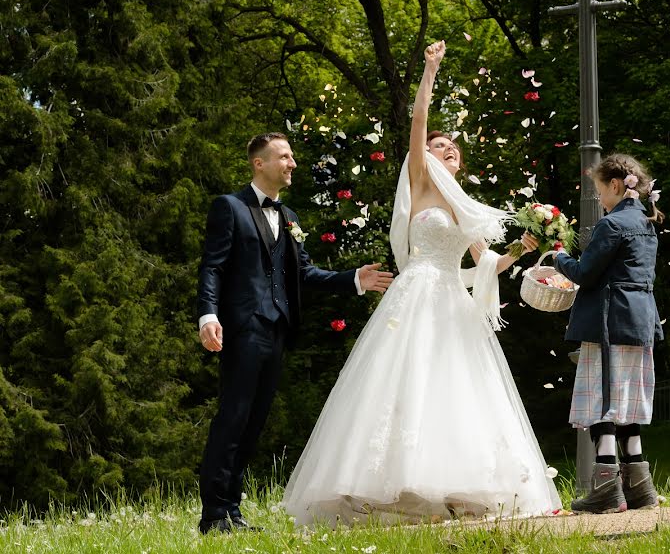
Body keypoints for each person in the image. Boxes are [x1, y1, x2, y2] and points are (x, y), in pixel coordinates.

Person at [281, 40, 561, 526]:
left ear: (461, 164)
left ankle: (460, 490)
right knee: (406, 382)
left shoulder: (466, 207)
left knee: (456, 387)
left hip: (453, 303)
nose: (445, 148)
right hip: (415, 297)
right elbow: (417, 123)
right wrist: (430, 70)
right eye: (438, 144)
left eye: (452, 147)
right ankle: (389, 489)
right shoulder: (419, 181)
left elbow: (484, 266)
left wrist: (521, 251)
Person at [196, 132, 394, 534]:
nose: (292, 164)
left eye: (291, 157)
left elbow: (303, 273)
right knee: (233, 418)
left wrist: (353, 278)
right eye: (284, 157)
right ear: (259, 163)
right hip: (243, 326)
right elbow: (212, 266)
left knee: (254, 423)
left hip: (278, 330)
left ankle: (233, 512)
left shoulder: (290, 218)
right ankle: (214, 514)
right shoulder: (229, 207)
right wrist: (207, 315)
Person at [550, 153, 665, 514]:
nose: (599, 199)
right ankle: (640, 489)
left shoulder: (612, 224)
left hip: (608, 321)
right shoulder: (647, 223)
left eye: (600, 191)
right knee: (627, 404)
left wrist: (558, 257)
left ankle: (605, 489)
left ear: (615, 185)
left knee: (602, 402)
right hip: (640, 320)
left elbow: (584, 272)